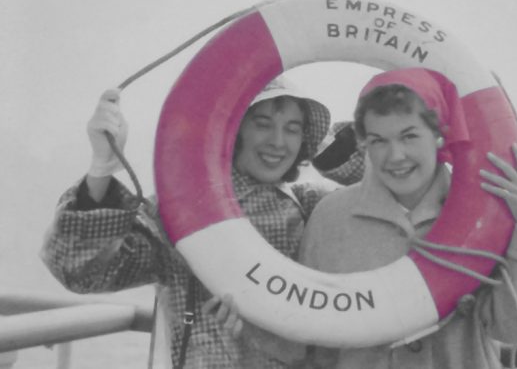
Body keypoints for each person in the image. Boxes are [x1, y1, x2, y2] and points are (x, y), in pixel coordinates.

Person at [40, 77, 364, 369]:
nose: (279, 142)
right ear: (233, 132)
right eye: (263, 123)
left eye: (293, 129)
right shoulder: (181, 212)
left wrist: (328, 151)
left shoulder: (310, 204)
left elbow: (394, 195)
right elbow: (80, 271)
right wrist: (102, 167)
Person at [266, 67, 517, 368]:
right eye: (379, 140)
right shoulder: (331, 218)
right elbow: (310, 344)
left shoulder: (482, 214)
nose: (395, 156)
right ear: (364, 144)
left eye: (409, 136)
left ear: (440, 136)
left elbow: (514, 326)